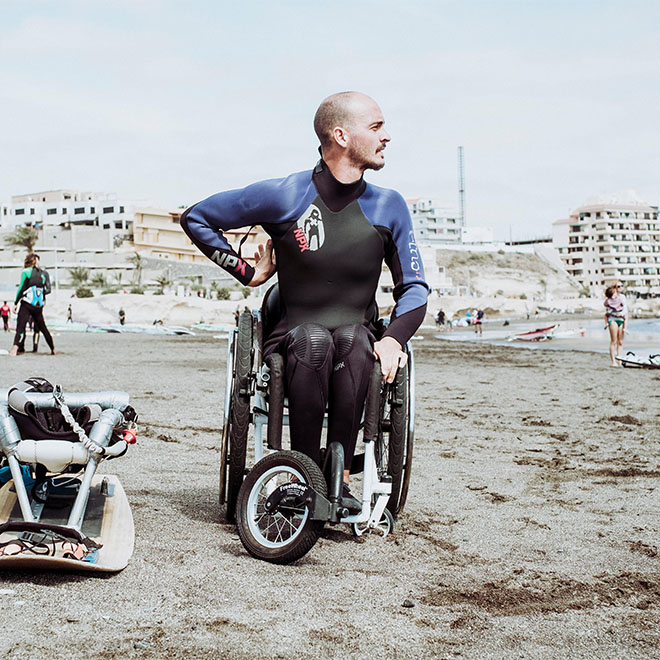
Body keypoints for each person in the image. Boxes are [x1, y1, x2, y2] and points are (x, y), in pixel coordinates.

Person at [181, 91, 429, 513]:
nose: (387, 137)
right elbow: (196, 217)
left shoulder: (390, 206)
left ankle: (342, 476)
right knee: (314, 340)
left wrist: (393, 340)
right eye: (376, 127)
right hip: (292, 334)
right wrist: (247, 272)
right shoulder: (285, 195)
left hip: (358, 333)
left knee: (352, 341)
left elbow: (416, 288)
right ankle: (302, 474)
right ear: (341, 135)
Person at [9, 253, 55, 356]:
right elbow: (46, 290)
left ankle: (15, 348)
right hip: (38, 306)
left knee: (21, 326)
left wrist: (16, 303)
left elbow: (21, 288)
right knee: (43, 328)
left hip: (27, 304)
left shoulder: (26, 272)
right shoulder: (43, 274)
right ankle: (52, 348)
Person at [604, 281, 627, 366]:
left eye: (621, 286)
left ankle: (620, 361)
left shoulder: (622, 297)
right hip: (613, 319)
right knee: (614, 341)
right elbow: (606, 312)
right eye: (618, 286)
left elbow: (625, 310)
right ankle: (613, 361)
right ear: (614, 288)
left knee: (620, 342)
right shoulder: (609, 299)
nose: (620, 287)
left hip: (621, 319)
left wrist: (622, 316)